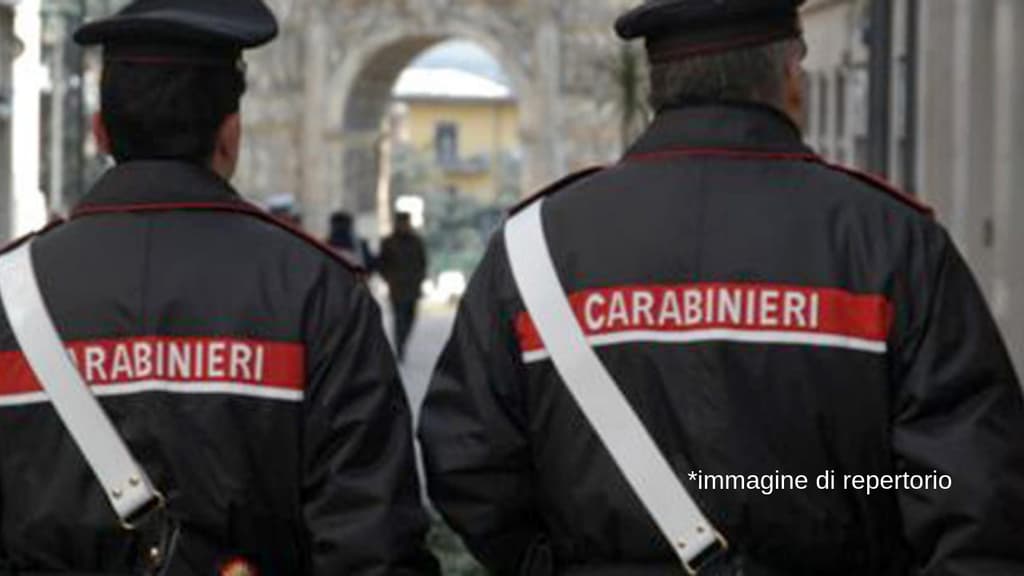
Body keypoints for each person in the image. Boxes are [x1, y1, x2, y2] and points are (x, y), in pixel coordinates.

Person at [418, 1, 1024, 575]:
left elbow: (467, 456)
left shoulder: (535, 248)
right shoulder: (890, 243)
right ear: (791, 74)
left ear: (655, 84)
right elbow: (972, 488)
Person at [0, 1, 438, 574]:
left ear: (99, 131)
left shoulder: (10, 292)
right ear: (229, 134)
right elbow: (373, 543)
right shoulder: (315, 291)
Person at [379, 212, 428, 362]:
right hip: (397, 288)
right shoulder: (388, 242)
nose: (403, 226)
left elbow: (423, 261)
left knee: (411, 318)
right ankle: (400, 346)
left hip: (413, 286)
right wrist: (388, 278)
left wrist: (420, 277)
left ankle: (403, 342)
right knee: (399, 319)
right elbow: (382, 263)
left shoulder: (416, 241)